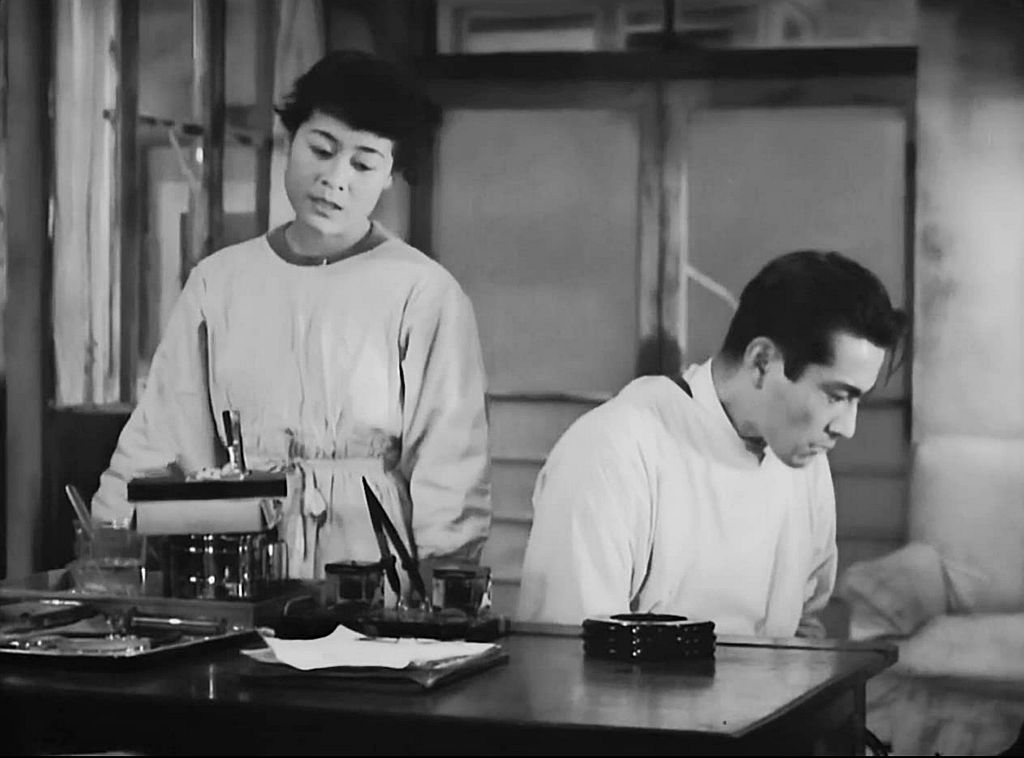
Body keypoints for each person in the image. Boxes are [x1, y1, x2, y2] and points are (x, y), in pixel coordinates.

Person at [93, 51, 491, 584]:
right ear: (289, 139)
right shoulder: (219, 281)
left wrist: (446, 581)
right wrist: (110, 540)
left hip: (371, 566)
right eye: (321, 150)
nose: (335, 179)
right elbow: (161, 433)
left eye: (364, 164)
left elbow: (450, 465)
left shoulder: (423, 292)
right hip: (240, 560)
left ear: (390, 175)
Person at [517, 250, 907, 637]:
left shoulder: (803, 459)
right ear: (761, 362)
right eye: (836, 396)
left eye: (858, 400)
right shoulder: (615, 448)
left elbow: (804, 630)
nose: (847, 427)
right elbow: (565, 651)